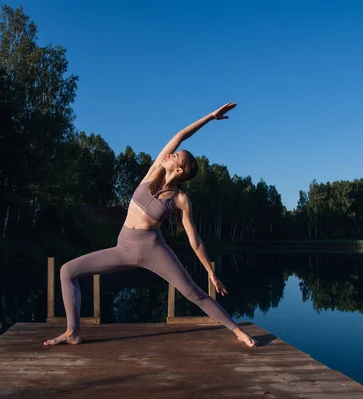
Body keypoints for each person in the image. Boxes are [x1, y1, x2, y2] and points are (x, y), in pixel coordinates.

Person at [44, 103, 258, 348]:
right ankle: (73, 331)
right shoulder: (152, 173)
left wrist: (210, 272)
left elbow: (194, 239)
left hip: (154, 249)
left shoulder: (180, 199)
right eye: (174, 152)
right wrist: (210, 117)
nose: (171, 153)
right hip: (123, 248)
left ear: (179, 170)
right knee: (66, 271)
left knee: (194, 293)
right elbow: (180, 135)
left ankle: (237, 330)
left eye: (176, 156)